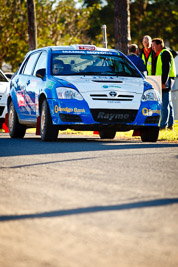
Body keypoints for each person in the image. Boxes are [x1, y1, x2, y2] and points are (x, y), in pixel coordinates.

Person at [151, 38, 176, 130]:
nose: (152, 47)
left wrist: (163, 82)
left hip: (165, 81)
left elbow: (166, 68)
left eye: (154, 45)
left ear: (159, 45)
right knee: (168, 103)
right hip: (164, 80)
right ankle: (170, 124)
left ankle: (163, 126)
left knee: (164, 104)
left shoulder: (164, 53)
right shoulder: (161, 53)